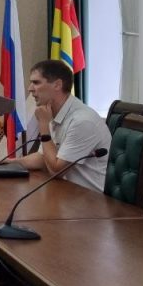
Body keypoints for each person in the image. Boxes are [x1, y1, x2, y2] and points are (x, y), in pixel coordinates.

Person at [17, 59, 109, 192]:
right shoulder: (53, 112)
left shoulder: (82, 121)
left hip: (91, 199)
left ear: (57, 85)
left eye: (36, 82)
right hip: (67, 192)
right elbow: (43, 157)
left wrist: (44, 128)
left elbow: (56, 171)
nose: (30, 89)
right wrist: (10, 163)